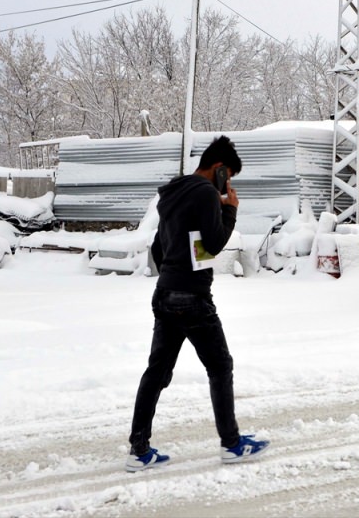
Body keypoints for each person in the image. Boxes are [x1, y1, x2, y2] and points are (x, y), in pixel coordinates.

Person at [126, 136, 269, 472]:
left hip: (164, 294)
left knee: (156, 373)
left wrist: (178, 273)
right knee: (220, 367)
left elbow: (161, 249)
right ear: (219, 169)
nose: (229, 182)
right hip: (192, 298)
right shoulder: (206, 193)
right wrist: (230, 209)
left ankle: (139, 449)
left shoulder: (173, 192)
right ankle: (232, 444)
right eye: (229, 175)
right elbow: (215, 243)